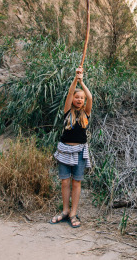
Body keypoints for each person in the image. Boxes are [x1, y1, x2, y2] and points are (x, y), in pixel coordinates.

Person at [50, 67, 92, 228]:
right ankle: (65, 211)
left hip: (80, 151)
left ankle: (74, 212)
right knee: (65, 182)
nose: (80, 99)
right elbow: (69, 93)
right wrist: (75, 79)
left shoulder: (86, 113)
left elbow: (90, 96)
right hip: (64, 150)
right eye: (77, 97)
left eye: (81, 98)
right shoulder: (67, 112)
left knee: (76, 182)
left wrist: (82, 81)